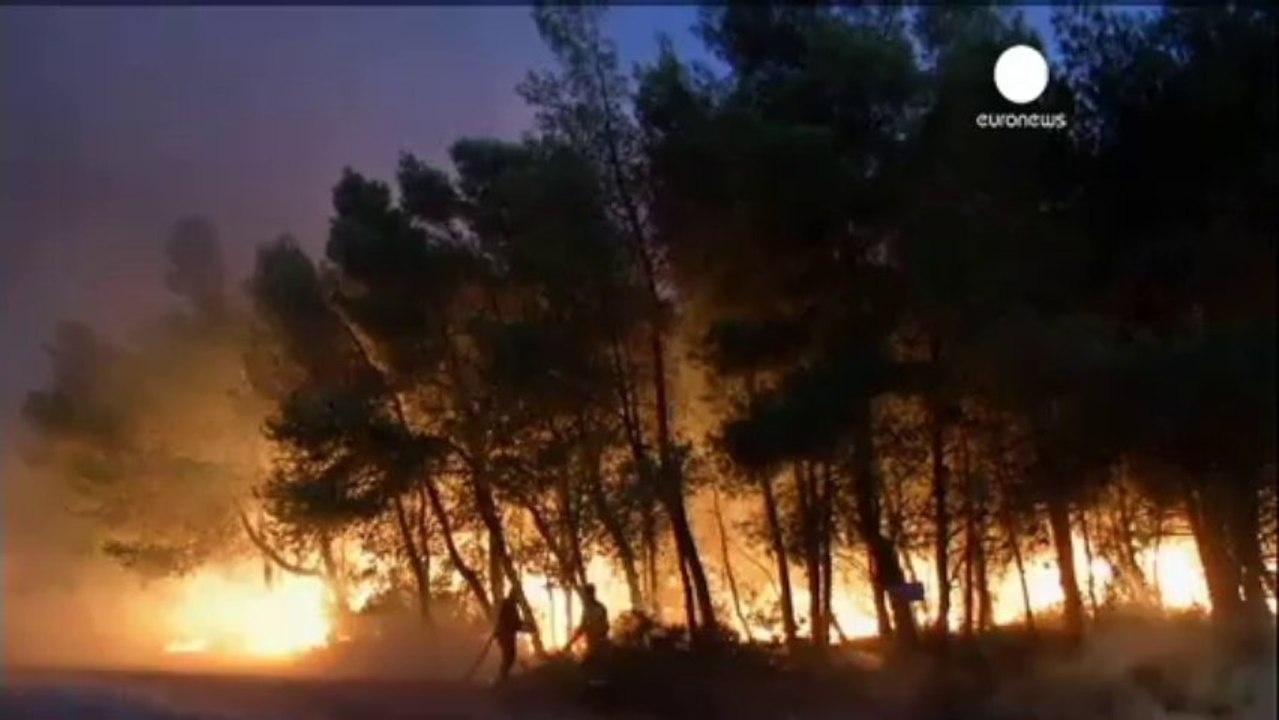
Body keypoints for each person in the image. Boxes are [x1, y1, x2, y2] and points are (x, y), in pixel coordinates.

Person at [566, 583, 610, 662]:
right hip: (594, 644)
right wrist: (569, 644)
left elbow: (584, 627)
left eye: (585, 594)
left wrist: (569, 644)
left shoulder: (597, 608)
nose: (584, 597)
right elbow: (583, 627)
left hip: (598, 645)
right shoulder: (591, 608)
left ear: (590, 594)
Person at [493, 594, 530, 685]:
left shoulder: (509, 605)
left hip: (505, 636)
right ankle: (502, 679)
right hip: (506, 636)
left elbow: (514, 622)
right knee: (509, 657)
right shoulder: (509, 606)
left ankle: (503, 678)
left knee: (509, 657)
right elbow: (513, 623)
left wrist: (525, 625)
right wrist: (526, 626)